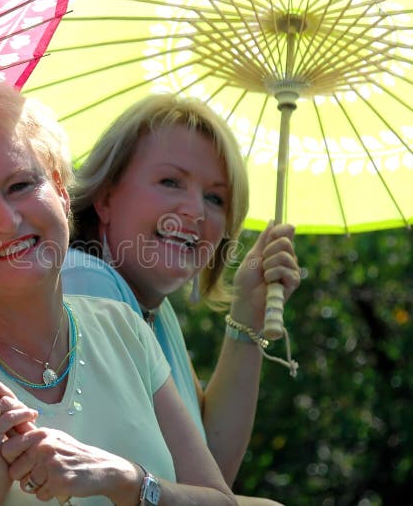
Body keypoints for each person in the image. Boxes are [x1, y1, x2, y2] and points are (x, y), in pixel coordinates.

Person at [0, 78, 236, 505]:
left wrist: (127, 481)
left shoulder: (123, 329)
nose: (7, 219)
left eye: (20, 185)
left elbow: (220, 501)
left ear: (62, 194)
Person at [61, 94, 301, 487]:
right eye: (171, 181)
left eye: (214, 198)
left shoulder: (156, 311)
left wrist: (248, 310)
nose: (195, 211)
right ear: (106, 198)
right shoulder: (86, 283)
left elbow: (211, 471)